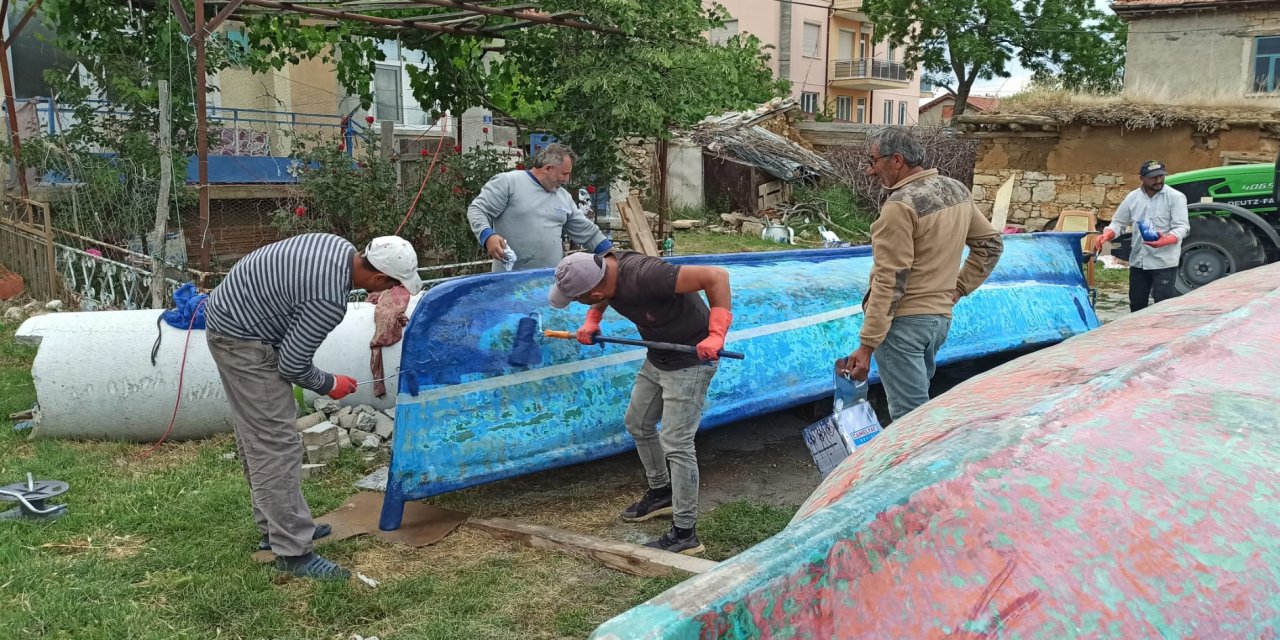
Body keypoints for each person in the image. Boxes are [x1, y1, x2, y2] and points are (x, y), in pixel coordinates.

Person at [205, 233, 422, 580]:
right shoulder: (328, 300)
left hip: (232, 317)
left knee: (259, 436)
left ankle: (276, 530)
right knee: (275, 444)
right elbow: (291, 365)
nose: (389, 295)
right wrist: (330, 384)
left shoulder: (334, 245)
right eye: (392, 287)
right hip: (242, 340)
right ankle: (292, 551)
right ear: (379, 278)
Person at [548, 250, 732, 555]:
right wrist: (592, 319)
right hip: (658, 355)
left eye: (578, 299)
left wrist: (716, 335)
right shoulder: (602, 269)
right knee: (638, 422)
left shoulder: (647, 274)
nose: (579, 302)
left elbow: (716, 277)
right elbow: (605, 293)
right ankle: (662, 492)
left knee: (676, 442)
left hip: (690, 360)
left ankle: (686, 533)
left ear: (593, 291)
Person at [838, 127, 1004, 421]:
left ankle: (923, 467)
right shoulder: (956, 191)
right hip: (938, 322)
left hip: (904, 327)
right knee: (918, 412)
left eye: (873, 160)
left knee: (910, 421)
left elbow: (891, 281)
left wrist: (866, 346)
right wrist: (958, 289)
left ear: (897, 160)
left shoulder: (900, 208)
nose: (870, 170)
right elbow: (991, 245)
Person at [468, 143, 612, 272]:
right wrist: (487, 236)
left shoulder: (564, 197)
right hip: (509, 281)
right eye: (564, 174)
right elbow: (478, 209)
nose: (567, 180)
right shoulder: (509, 183)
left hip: (548, 282)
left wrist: (614, 257)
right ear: (548, 168)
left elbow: (588, 233)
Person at [1094, 160, 1189, 312]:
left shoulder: (1175, 197)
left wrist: (1166, 240)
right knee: (1136, 305)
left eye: (1161, 176)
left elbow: (1182, 227)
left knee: (1163, 306)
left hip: (1164, 262)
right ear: (1142, 178)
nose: (1158, 180)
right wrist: (1106, 235)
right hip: (1139, 261)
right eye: (1153, 177)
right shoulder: (1133, 198)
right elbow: (1119, 222)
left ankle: (1161, 335)